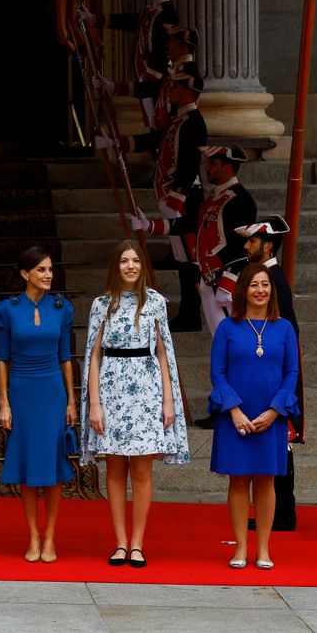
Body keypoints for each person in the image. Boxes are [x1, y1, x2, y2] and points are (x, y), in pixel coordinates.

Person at [80, 240, 189, 568]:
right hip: (111, 391)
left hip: (146, 392)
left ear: (142, 267)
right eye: (124, 261)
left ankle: (138, 543)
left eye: (136, 261)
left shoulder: (155, 302)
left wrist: (168, 401)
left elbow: (164, 352)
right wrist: (95, 403)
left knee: (142, 470)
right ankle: (120, 542)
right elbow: (93, 355)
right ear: (116, 266)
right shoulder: (102, 304)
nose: (130, 266)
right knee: (114, 470)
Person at [95, 70, 208, 332]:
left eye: (178, 87)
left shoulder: (193, 122)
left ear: (189, 91)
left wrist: (177, 200)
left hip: (184, 198)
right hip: (172, 195)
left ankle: (192, 313)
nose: (173, 91)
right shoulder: (177, 121)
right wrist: (115, 142)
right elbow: (153, 140)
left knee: (189, 258)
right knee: (181, 257)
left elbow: (190, 165)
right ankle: (188, 311)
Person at [209, 263, 300, 570]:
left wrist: (275, 411)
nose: (260, 290)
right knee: (237, 481)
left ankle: (263, 549)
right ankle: (240, 549)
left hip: (270, 414)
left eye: (265, 285)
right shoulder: (227, 327)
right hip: (234, 415)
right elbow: (217, 373)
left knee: (266, 482)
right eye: (254, 285)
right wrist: (234, 410)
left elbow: (292, 373)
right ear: (242, 290)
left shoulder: (284, 328)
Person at [0, 247, 77, 563]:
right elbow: (2, 359)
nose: (48, 275)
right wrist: (4, 403)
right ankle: (32, 536)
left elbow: (66, 358)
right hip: (21, 391)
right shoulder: (7, 308)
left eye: (50, 269)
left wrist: (71, 401)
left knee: (52, 468)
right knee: (28, 467)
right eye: (41, 270)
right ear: (25, 274)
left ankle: (51, 537)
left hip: (53, 392)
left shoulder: (62, 308)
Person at [131, 144, 257, 335]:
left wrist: (229, 283)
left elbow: (242, 246)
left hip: (228, 282)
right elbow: (190, 223)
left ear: (228, 167)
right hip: (208, 280)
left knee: (240, 340)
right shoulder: (213, 199)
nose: (206, 168)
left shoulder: (241, 200)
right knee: (220, 340)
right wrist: (150, 225)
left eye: (213, 163)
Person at [237, 216, 303, 531]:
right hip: (268, 373)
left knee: (281, 441)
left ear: (267, 245)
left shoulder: (274, 280)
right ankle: (281, 512)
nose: (247, 246)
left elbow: (287, 334)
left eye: (251, 241)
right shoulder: (272, 277)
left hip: (276, 375)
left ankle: (283, 513)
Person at [80, 0, 177, 126]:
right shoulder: (153, 11)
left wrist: (114, 87)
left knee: (158, 129)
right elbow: (128, 21)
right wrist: (94, 19)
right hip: (145, 83)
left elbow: (160, 60)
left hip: (155, 87)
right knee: (153, 128)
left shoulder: (167, 14)